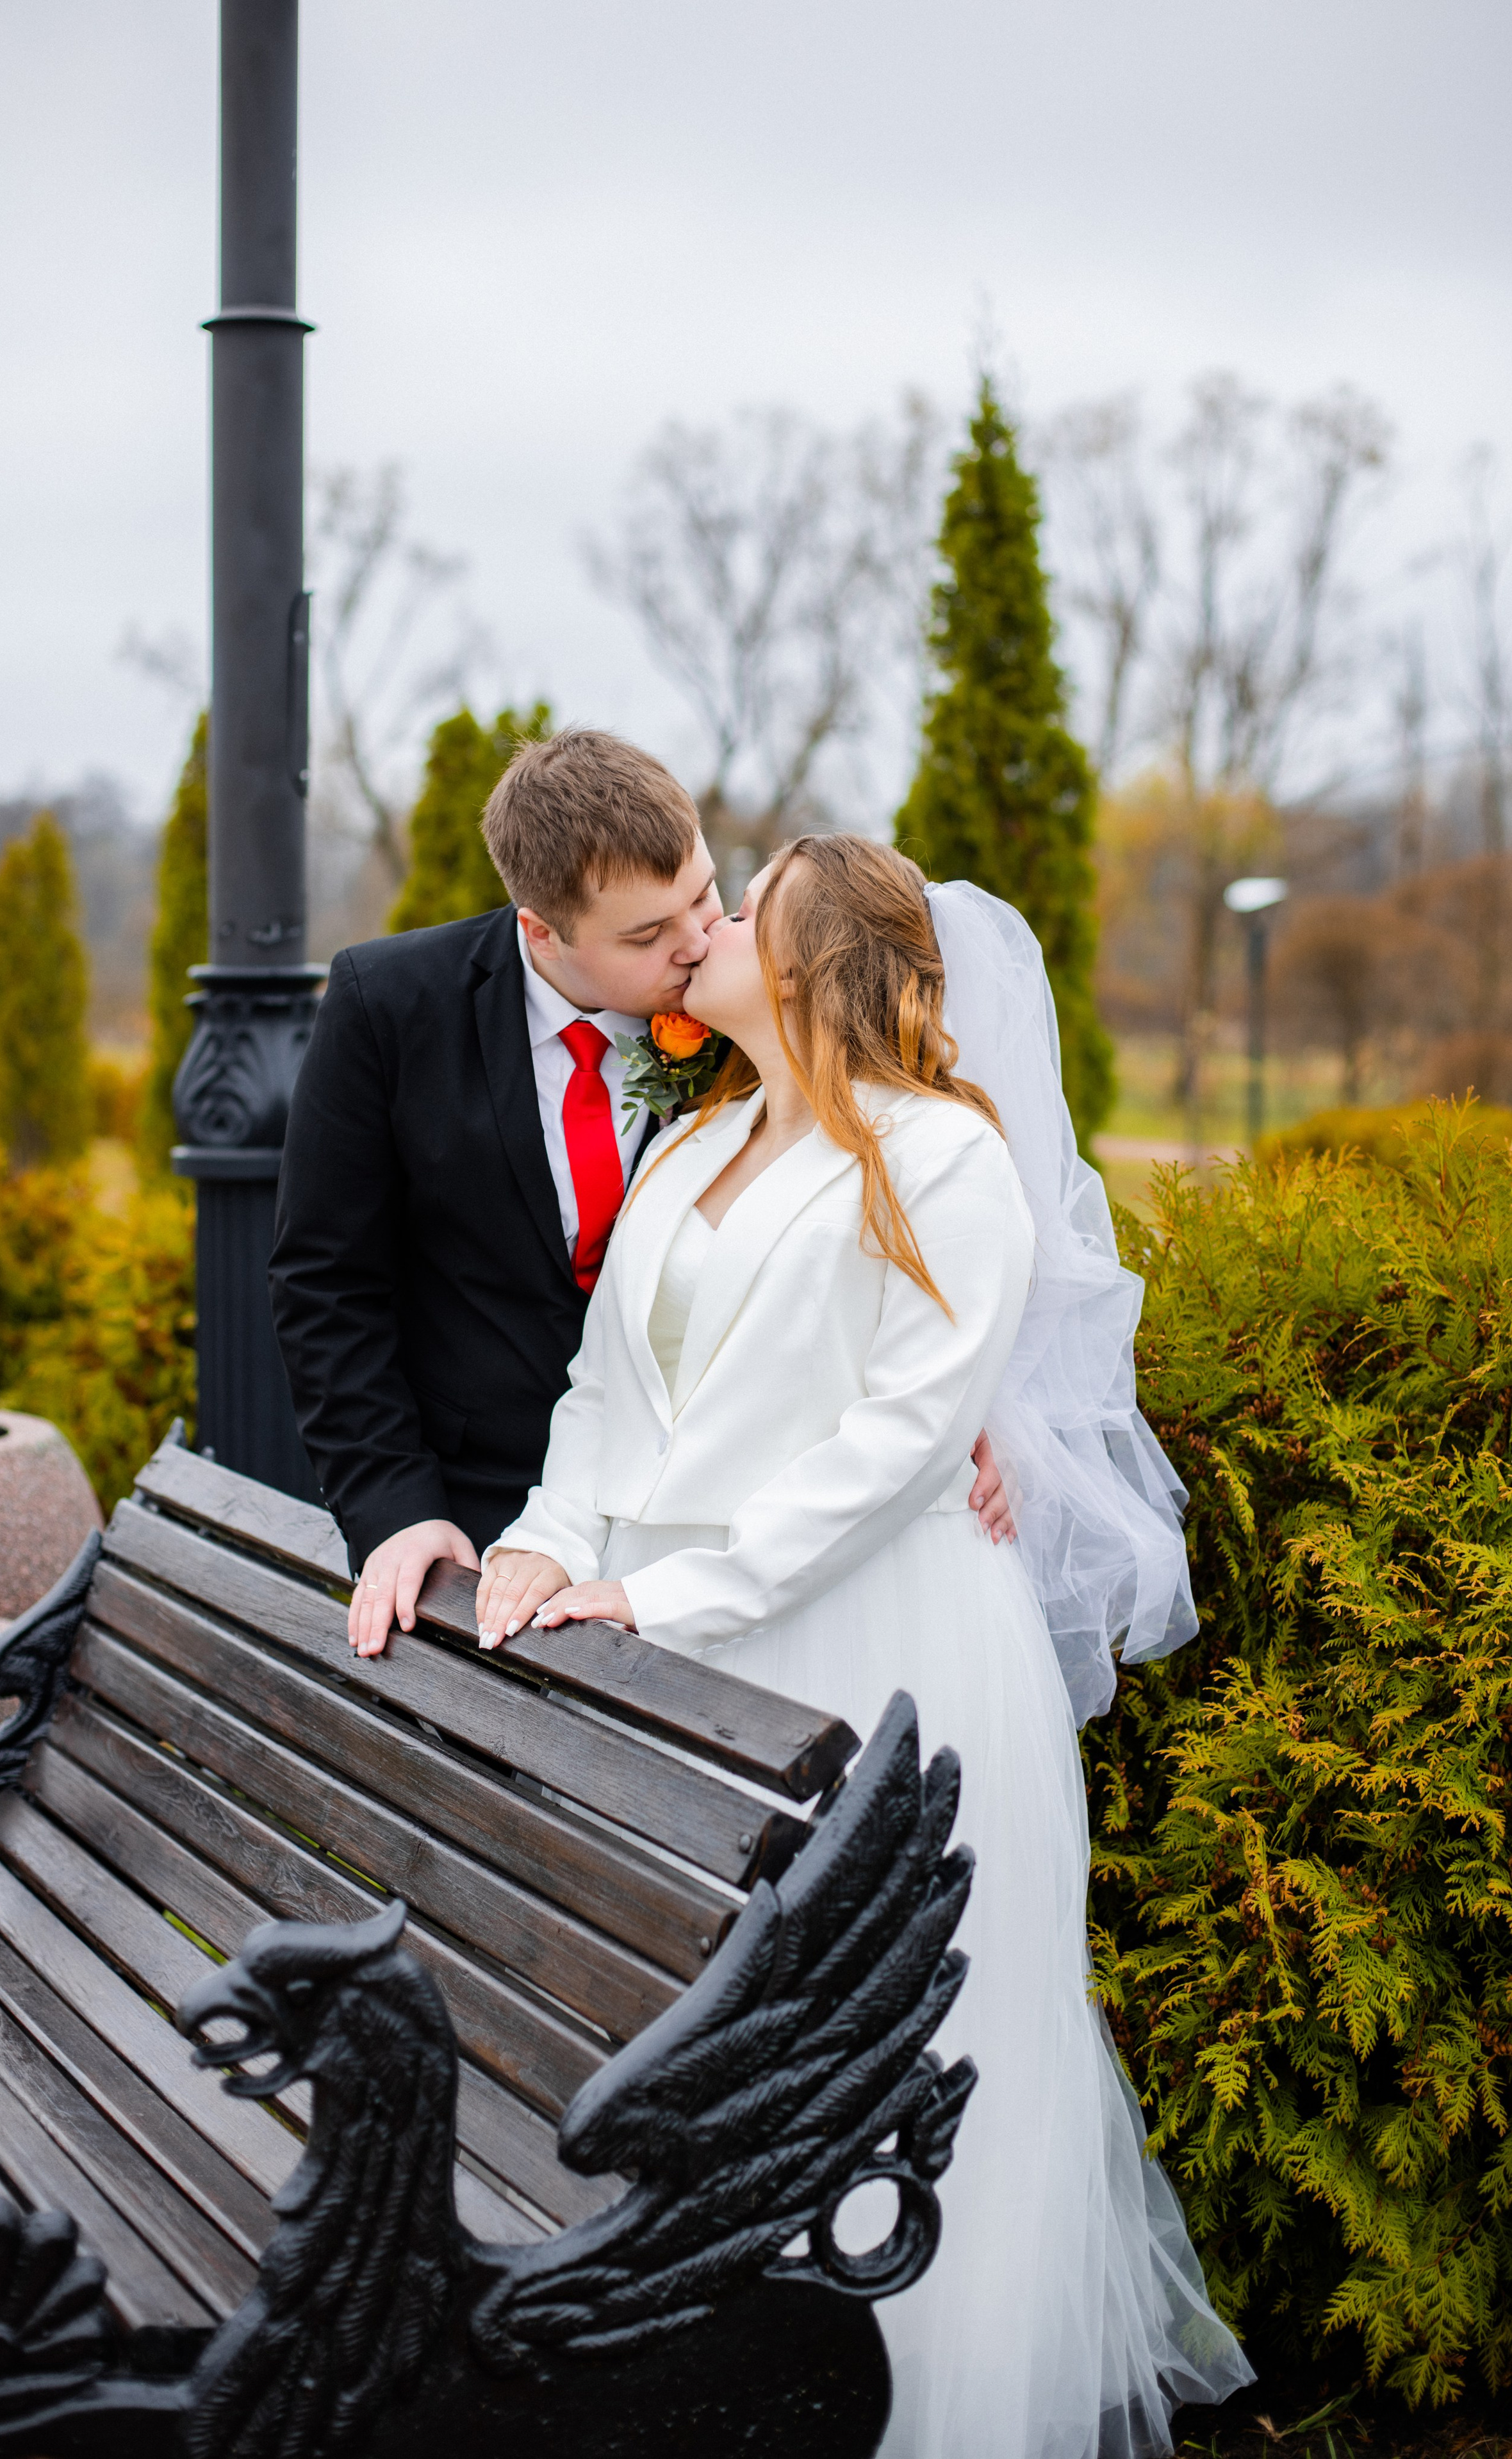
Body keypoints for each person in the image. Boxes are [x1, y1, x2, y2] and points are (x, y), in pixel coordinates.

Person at [475, 834, 1253, 2459]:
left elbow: (907, 1433)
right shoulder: (693, 1150)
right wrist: (551, 1536)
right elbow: (608, 1395)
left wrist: (672, 1592)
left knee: (891, 2056)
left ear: (814, 955)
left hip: (884, 1649)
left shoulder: (937, 1156)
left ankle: (920, 2412)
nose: (709, 925)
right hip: (692, 1662)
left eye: (742, 905)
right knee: (714, 2046)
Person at [270, 725, 1019, 1656]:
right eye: (647, 933)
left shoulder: (740, 1031)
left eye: (708, 896)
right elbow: (326, 1287)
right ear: (543, 929)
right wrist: (396, 1512)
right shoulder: (390, 1007)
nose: (698, 938)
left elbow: (862, 1272)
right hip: (481, 1521)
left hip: (749, 1555)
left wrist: (961, 1405)